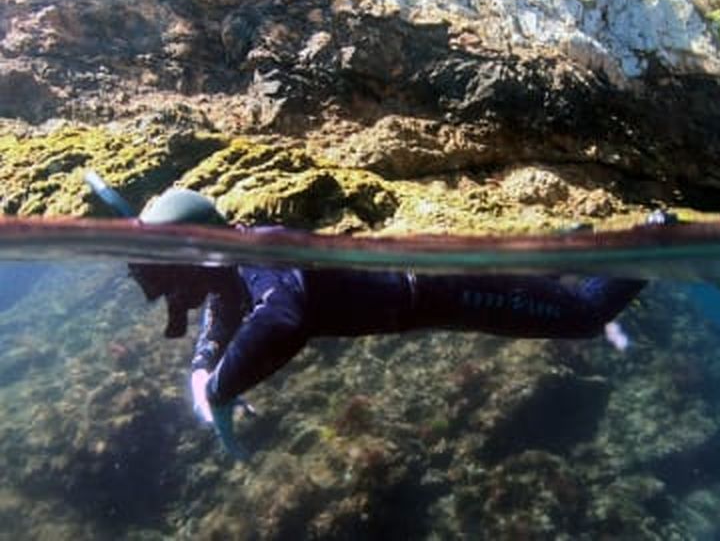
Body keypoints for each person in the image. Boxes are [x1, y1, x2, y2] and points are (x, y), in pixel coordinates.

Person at [86, 173, 647, 458]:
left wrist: (224, 388)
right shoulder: (234, 267)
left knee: (584, 316)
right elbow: (225, 311)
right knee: (539, 285)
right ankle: (572, 244)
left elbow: (284, 318)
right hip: (430, 290)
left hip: (441, 292)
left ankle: (657, 235)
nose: (162, 290)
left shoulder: (258, 257)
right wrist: (204, 371)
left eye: (163, 274)